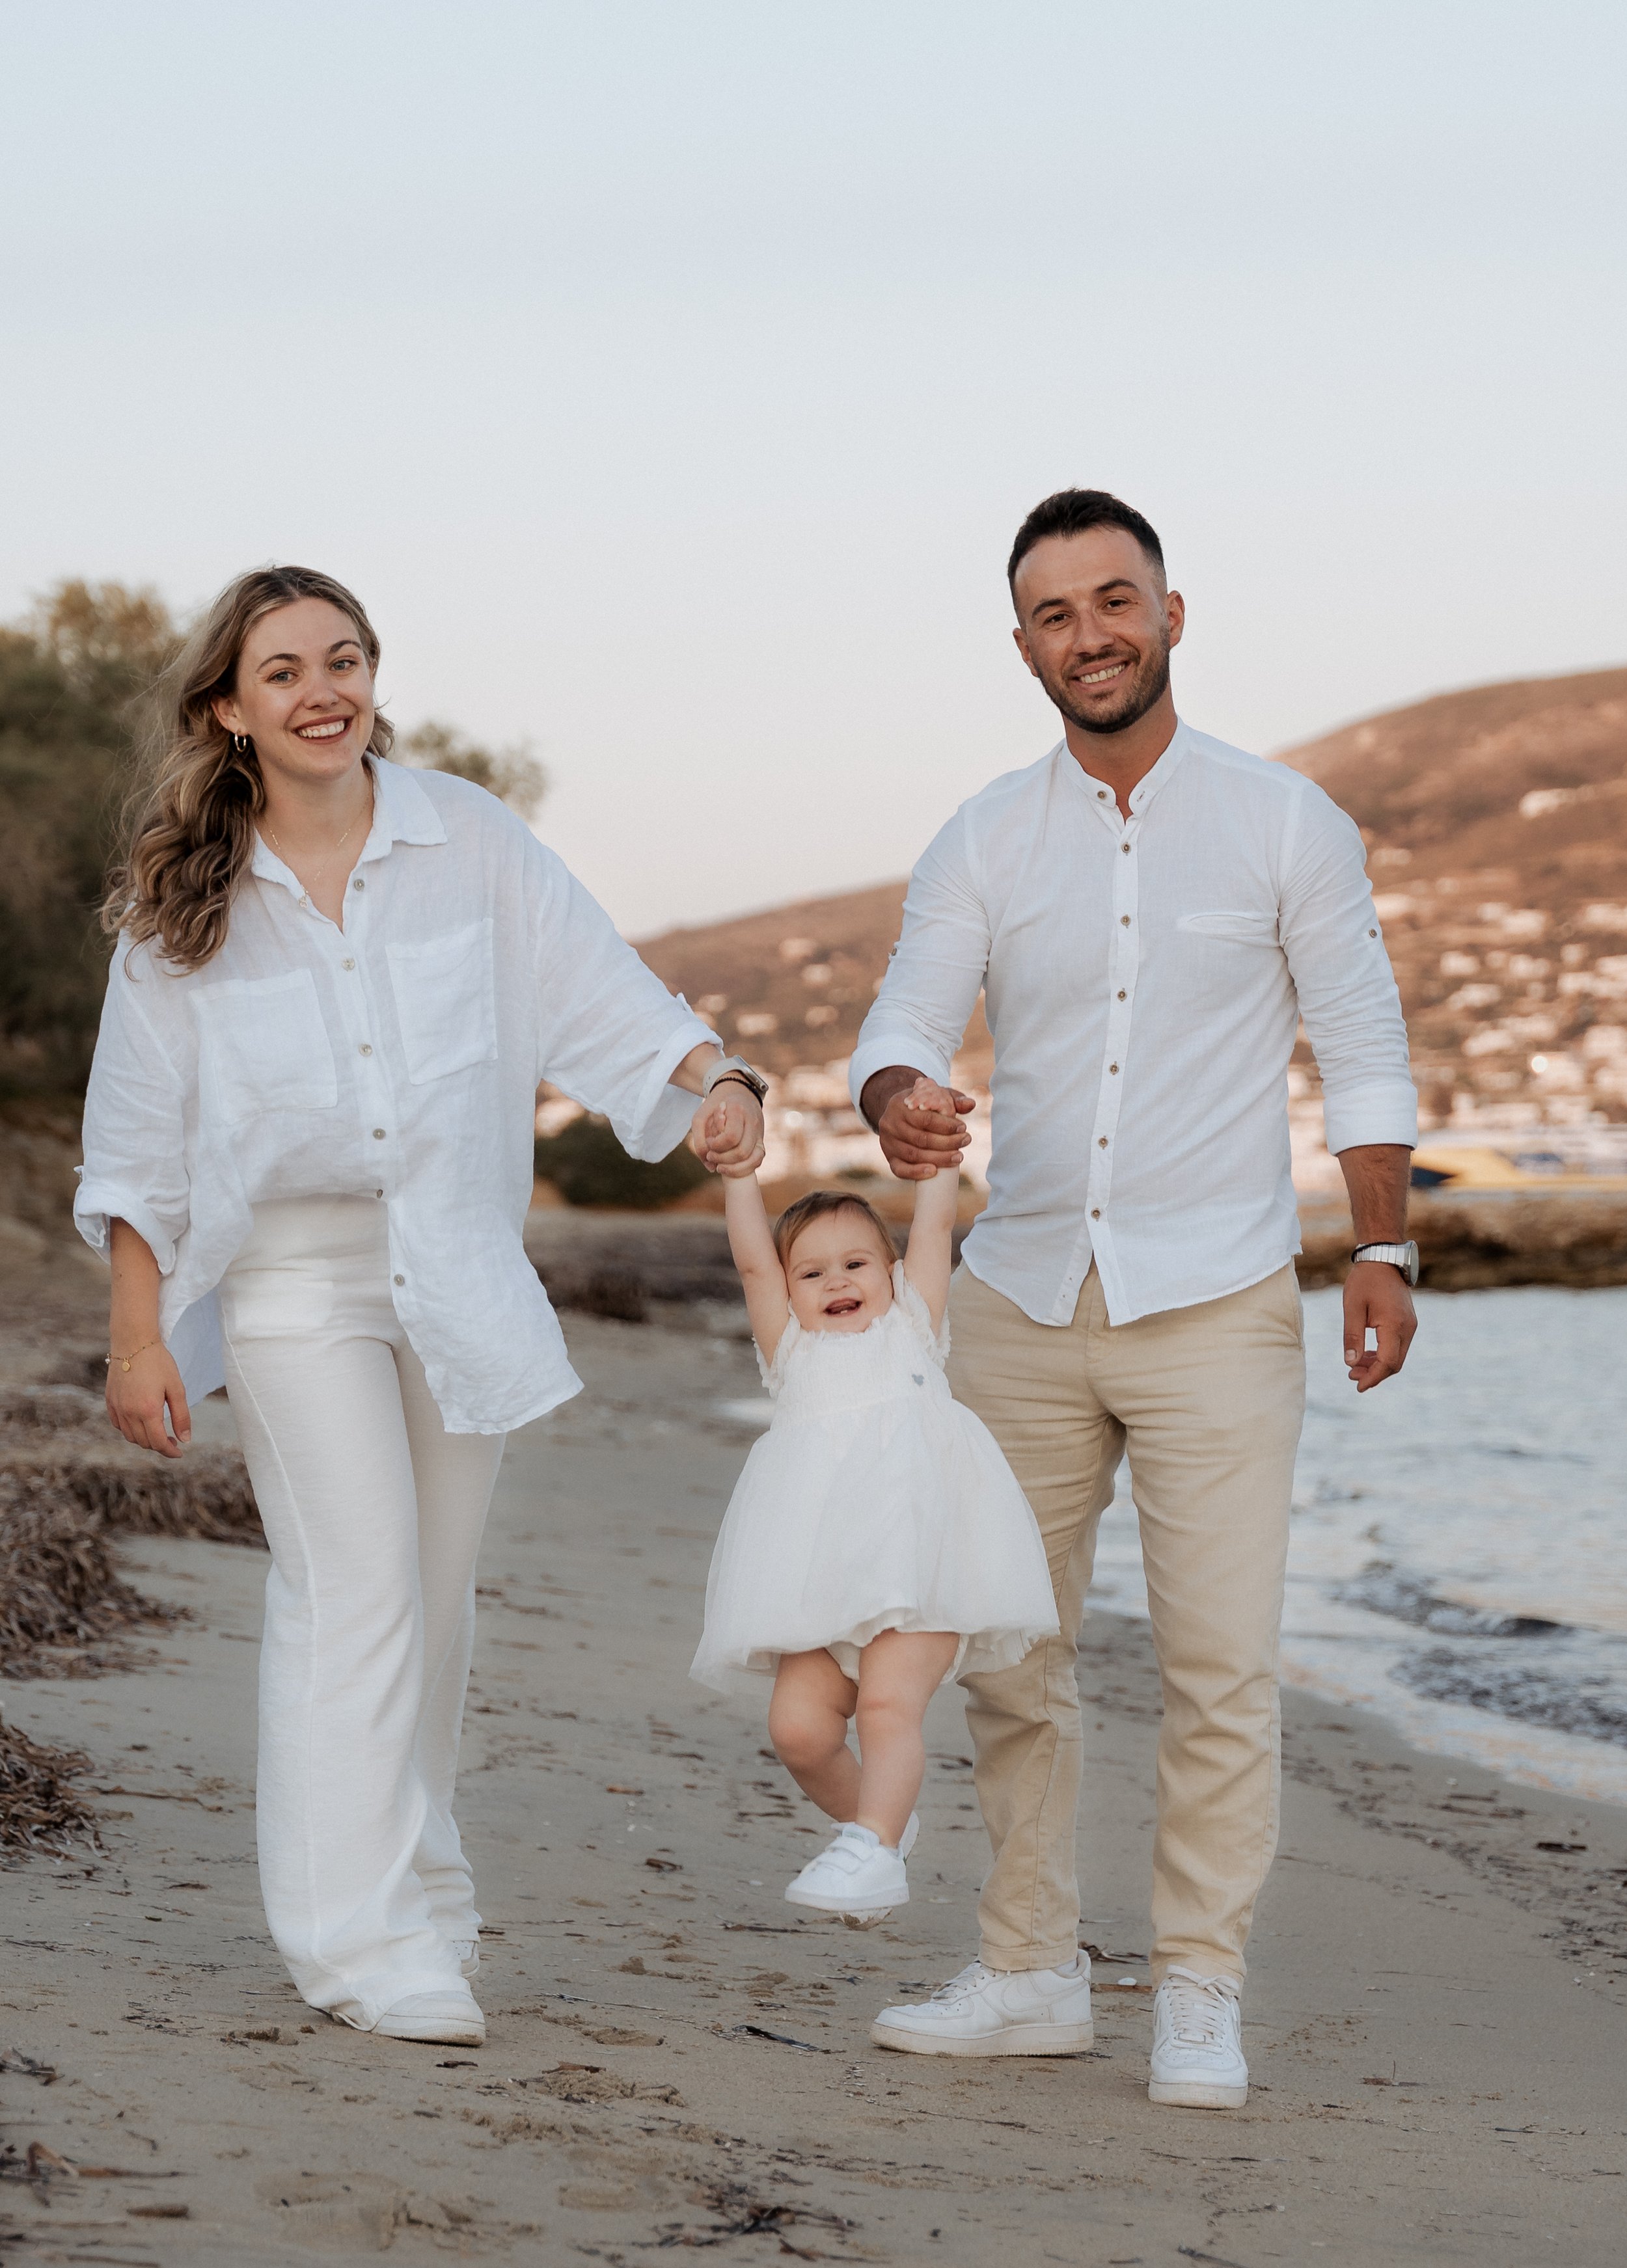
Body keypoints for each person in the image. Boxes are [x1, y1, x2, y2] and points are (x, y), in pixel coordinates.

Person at [77, 563, 766, 2048]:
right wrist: (138, 1337)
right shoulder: (180, 908)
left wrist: (711, 1083)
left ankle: (424, 1895)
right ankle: (355, 1942)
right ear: (230, 708)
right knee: (361, 1588)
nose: (323, 688)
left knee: (434, 1608)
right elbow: (135, 1147)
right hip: (292, 1289)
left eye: (346, 657)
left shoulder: (473, 842)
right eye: (284, 671)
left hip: (455, 1271)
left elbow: (603, 992)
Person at [851, 489, 1419, 2104]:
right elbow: (901, 1017)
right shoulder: (983, 833)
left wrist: (1381, 1249)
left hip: (1220, 1302)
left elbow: (1363, 1046)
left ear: (1174, 614)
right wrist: (898, 1095)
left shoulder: (1284, 821)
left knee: (1218, 1663)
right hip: (1020, 1298)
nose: (1089, 633)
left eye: (1116, 600)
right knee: (1007, 1655)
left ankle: (1196, 1986)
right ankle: (1029, 1968)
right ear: (1022, 643)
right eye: (1055, 611)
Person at [689, 1141, 1059, 1932]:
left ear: (890, 1274)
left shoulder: (914, 1333)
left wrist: (935, 1172)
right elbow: (752, 1261)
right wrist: (738, 1177)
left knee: (890, 1707)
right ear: (788, 1294)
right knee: (797, 1731)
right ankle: (878, 1829)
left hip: (921, 1571)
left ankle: (872, 1842)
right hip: (819, 1582)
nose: (837, 1283)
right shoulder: (791, 1353)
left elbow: (934, 1236)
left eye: (856, 1264)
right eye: (812, 1274)